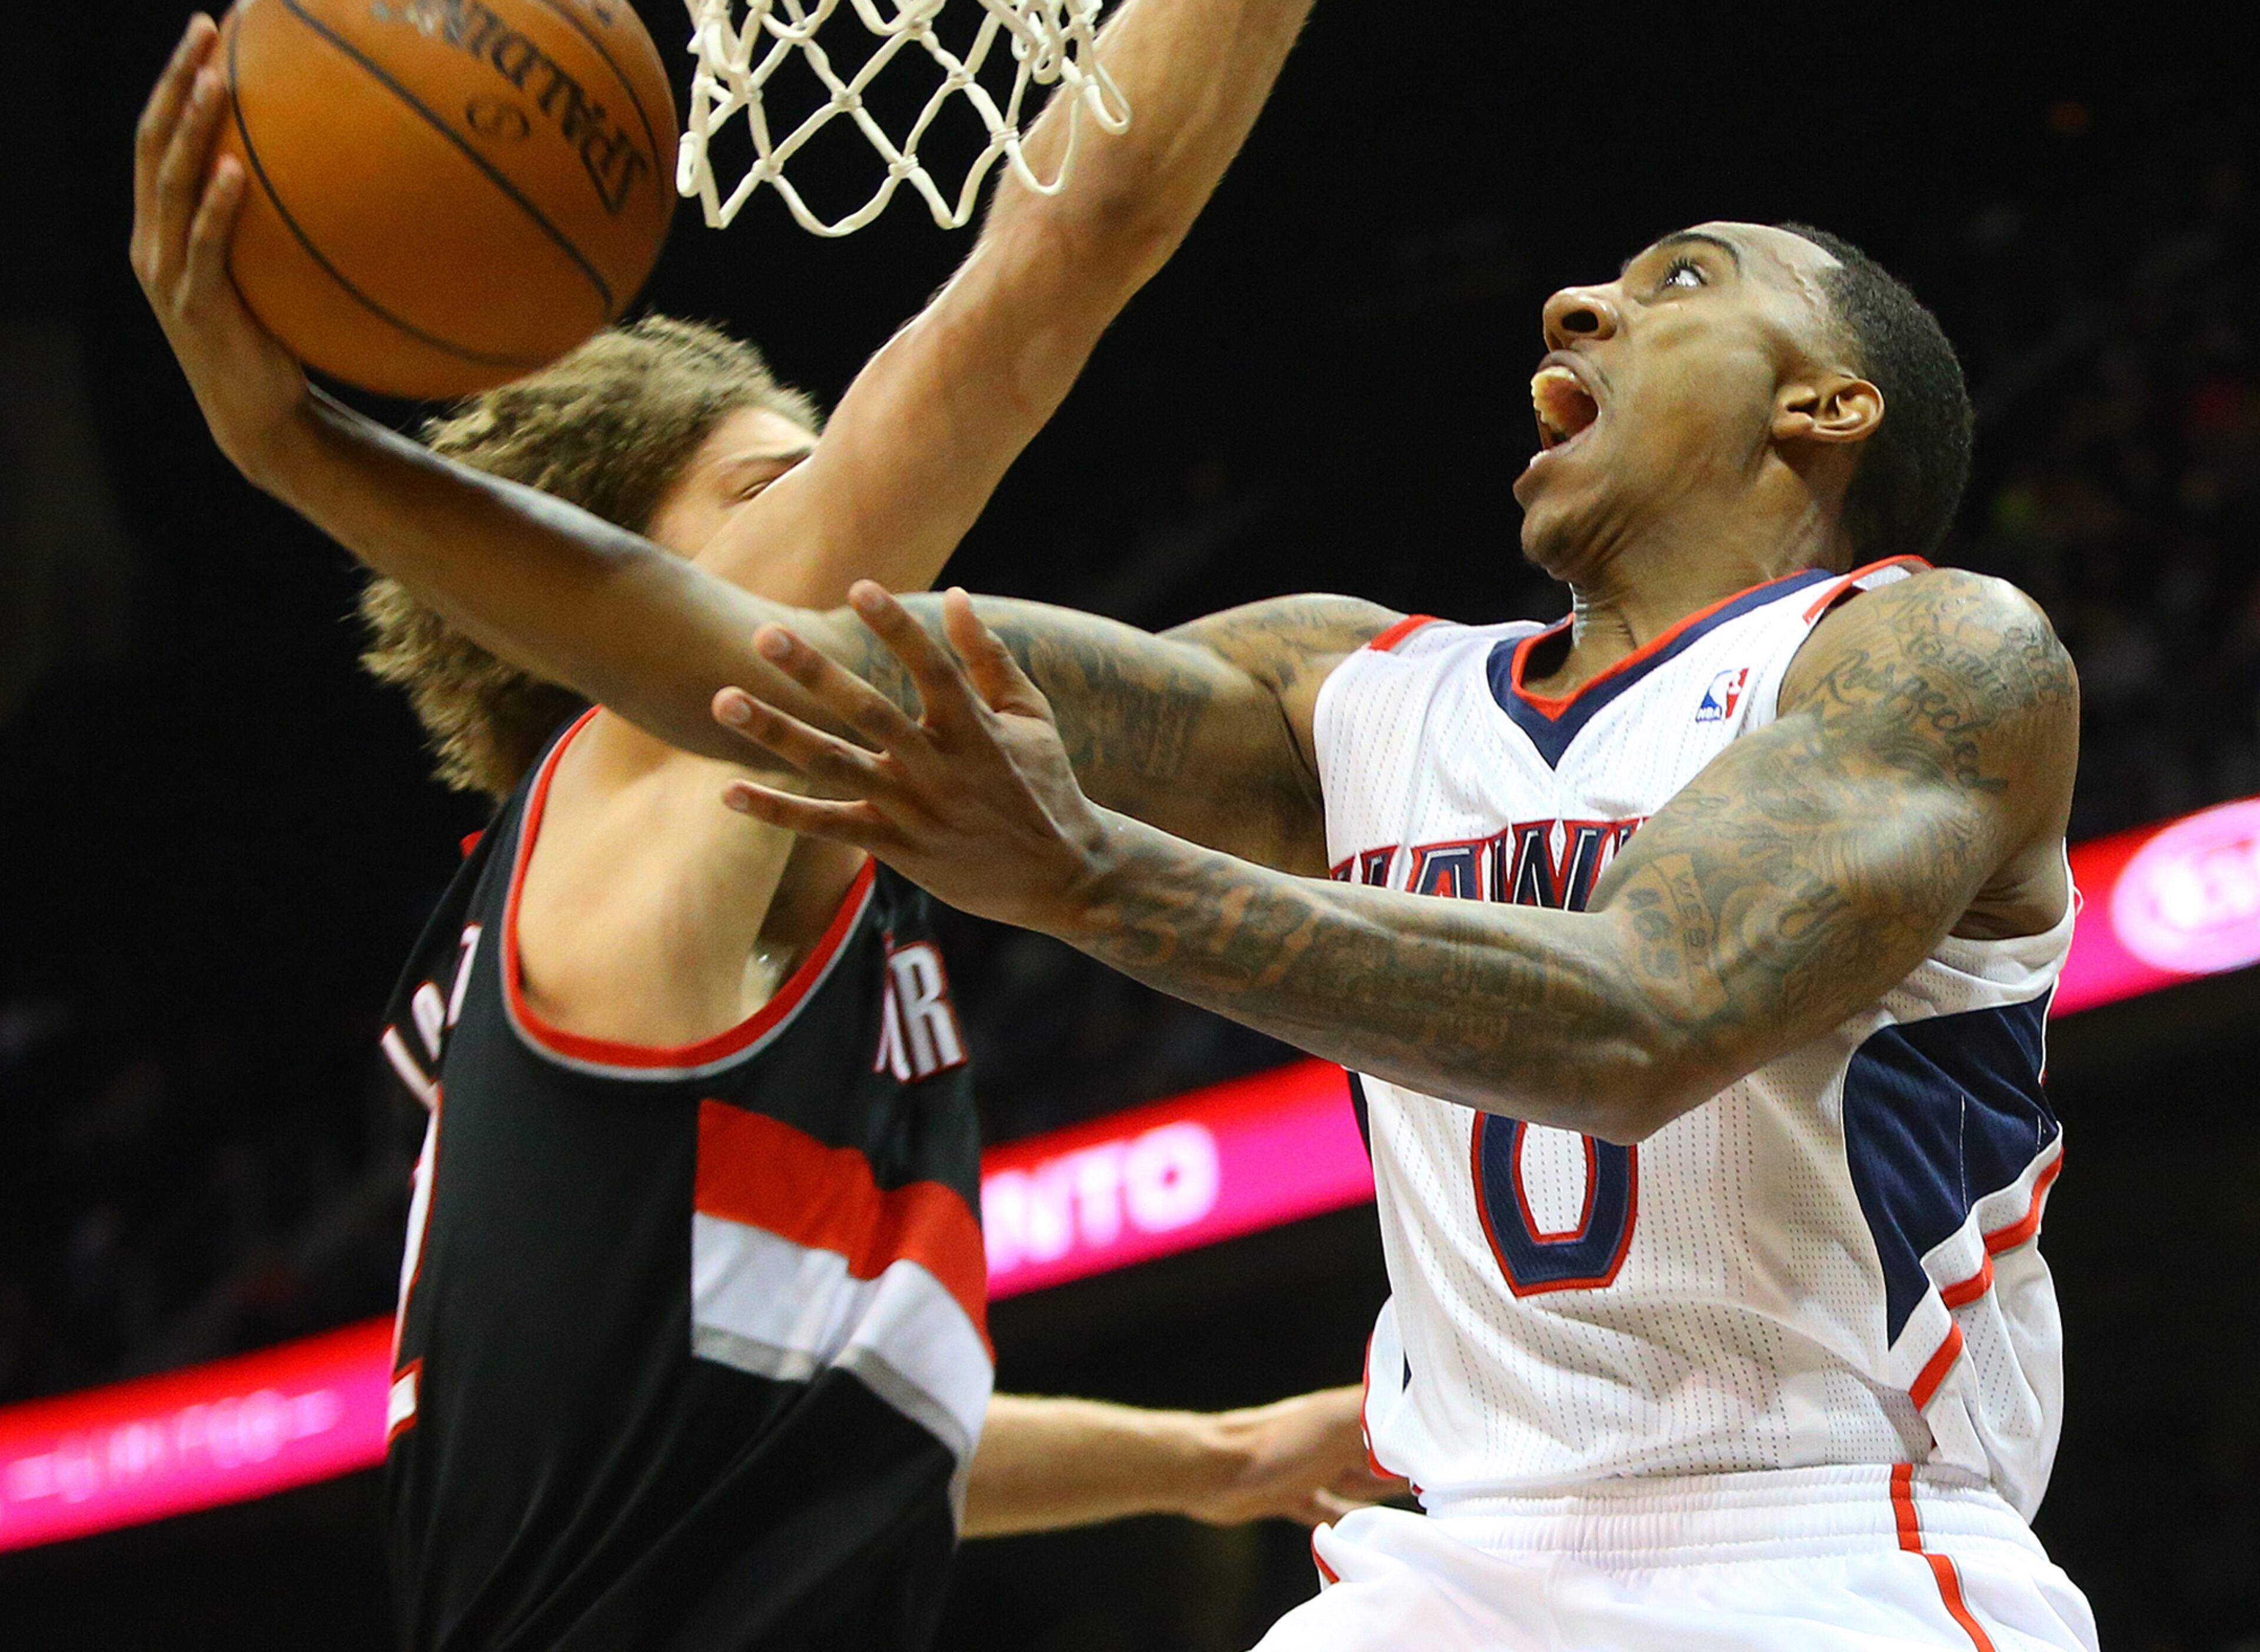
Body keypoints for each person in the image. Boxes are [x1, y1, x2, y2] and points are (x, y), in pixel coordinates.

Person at [156, 204, 2098, 1640]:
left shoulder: (1933, 656)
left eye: (1686, 279)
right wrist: (307, 451)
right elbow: (766, 653)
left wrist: (1091, 879)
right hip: (1444, 1569)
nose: (1582, 296)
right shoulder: (1353, 693)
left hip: (1830, 1548)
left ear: (1829, 403)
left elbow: (1637, 1020)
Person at [131, 0, 1438, 1644]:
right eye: (778, 490)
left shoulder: (681, 905)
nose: (854, 534)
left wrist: (1213, 1458)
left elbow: (810, 1424)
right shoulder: (657, 761)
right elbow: (1076, 239)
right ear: (599, 585)